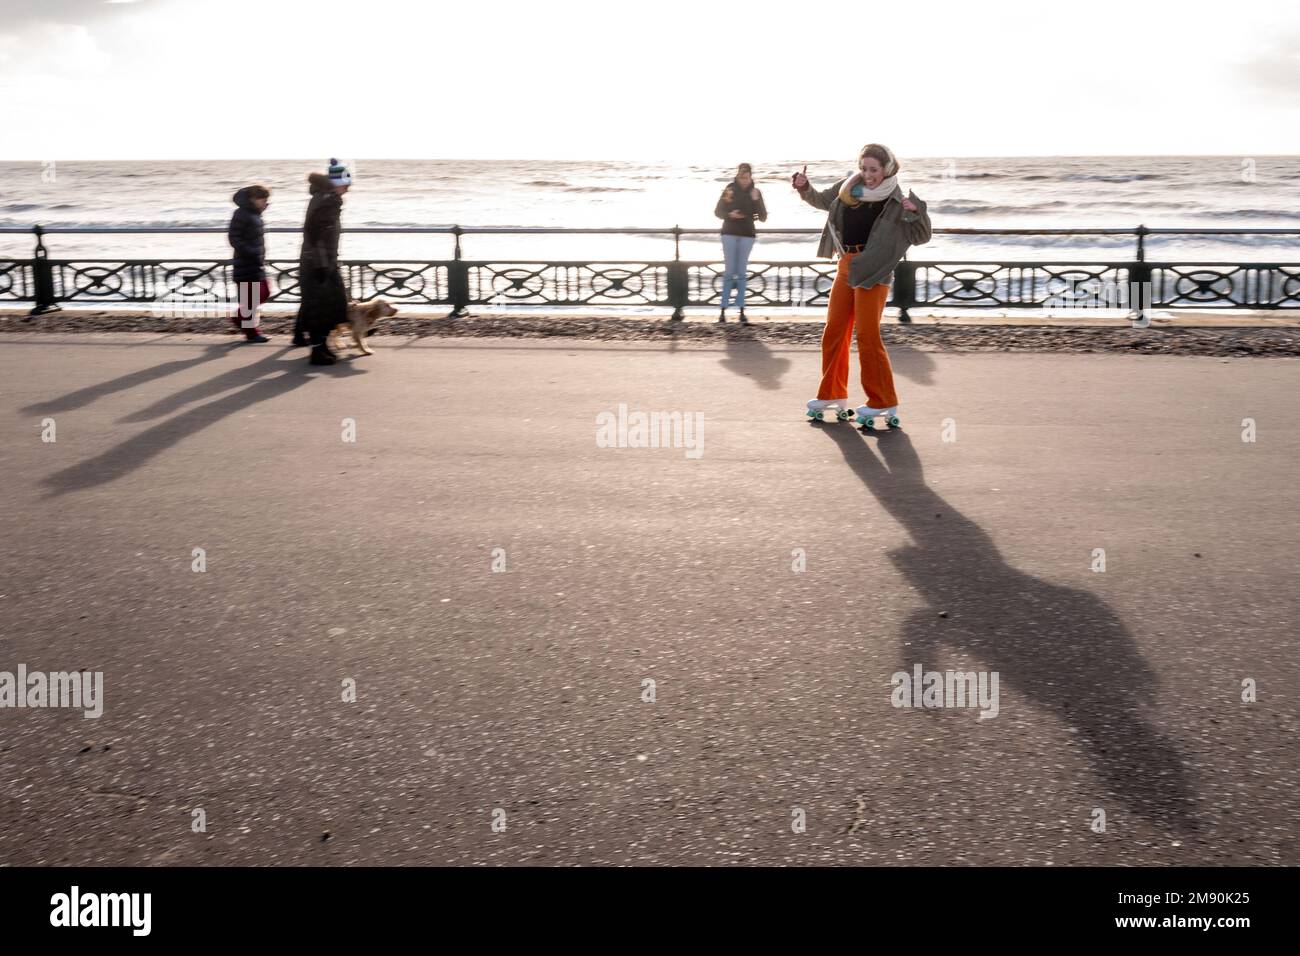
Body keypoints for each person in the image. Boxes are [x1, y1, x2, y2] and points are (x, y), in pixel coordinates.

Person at [792, 144, 932, 424]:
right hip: (846, 263)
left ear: (887, 169)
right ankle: (832, 392)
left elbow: (921, 235)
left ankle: (882, 400)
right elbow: (820, 200)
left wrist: (917, 212)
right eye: (864, 168)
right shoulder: (848, 188)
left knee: (867, 336)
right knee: (834, 330)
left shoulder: (896, 200)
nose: (868, 175)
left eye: (874, 170)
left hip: (874, 271)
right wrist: (804, 187)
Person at [294, 159, 352, 365]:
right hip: (319, 263)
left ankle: (321, 346)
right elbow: (315, 234)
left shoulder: (324, 198)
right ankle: (317, 350)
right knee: (322, 307)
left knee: (333, 305)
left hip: (322, 260)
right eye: (346, 183)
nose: (348, 188)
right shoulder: (328, 200)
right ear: (336, 183)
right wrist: (322, 265)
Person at [713, 162, 767, 324]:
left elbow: (763, 217)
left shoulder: (755, 192)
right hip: (729, 233)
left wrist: (756, 201)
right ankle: (723, 311)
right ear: (737, 175)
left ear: (751, 177)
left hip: (747, 235)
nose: (744, 180)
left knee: (742, 274)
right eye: (741, 176)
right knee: (729, 272)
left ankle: (742, 311)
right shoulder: (729, 189)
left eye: (747, 177)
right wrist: (730, 214)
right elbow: (717, 211)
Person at [227, 184, 271, 343]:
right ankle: (251, 332)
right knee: (249, 299)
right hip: (245, 263)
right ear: (253, 199)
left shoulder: (255, 214)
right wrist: (250, 252)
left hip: (256, 262)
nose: (266, 203)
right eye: (264, 200)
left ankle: (240, 319)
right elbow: (234, 238)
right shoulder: (241, 213)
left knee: (264, 292)